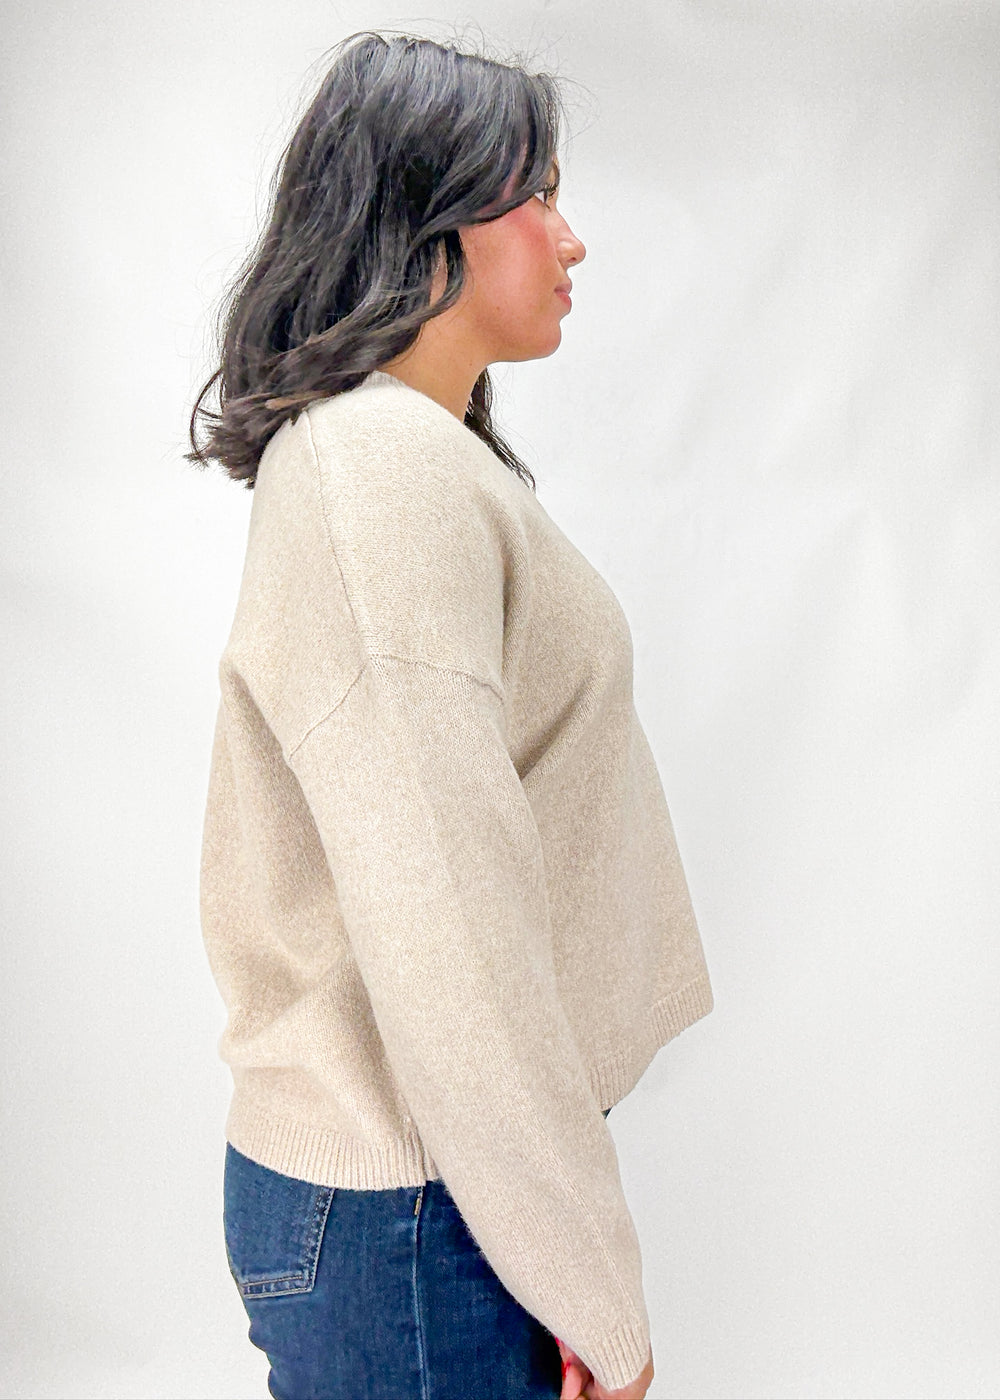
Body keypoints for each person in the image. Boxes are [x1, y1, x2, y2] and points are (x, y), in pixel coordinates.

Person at [187, 28, 713, 1400]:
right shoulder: (377, 470)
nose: (571, 239)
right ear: (426, 225)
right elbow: (453, 927)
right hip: (416, 1216)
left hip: (414, 1206)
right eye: (536, 195)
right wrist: (590, 1283)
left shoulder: (399, 459)